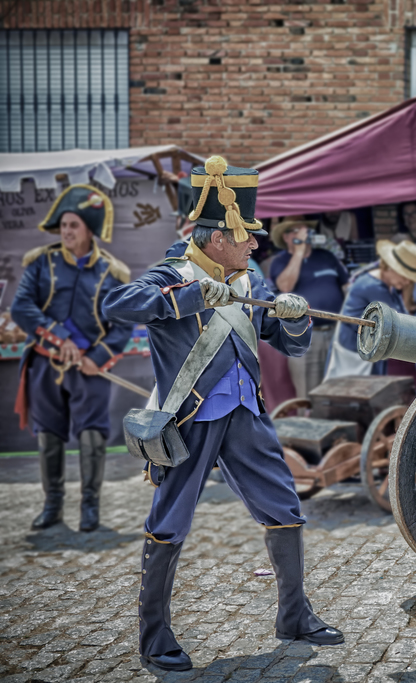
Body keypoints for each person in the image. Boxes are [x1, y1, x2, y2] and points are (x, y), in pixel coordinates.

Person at [103, 156, 344, 672]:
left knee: (285, 506)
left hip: (245, 412)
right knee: (168, 524)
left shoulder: (250, 277)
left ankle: (295, 616)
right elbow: (118, 304)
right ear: (217, 238)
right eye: (247, 236)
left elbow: (289, 344)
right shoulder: (172, 273)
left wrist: (293, 316)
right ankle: (154, 638)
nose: (257, 244)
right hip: (189, 420)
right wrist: (189, 297)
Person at [12, 185, 134, 533]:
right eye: (63, 225)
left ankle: (90, 508)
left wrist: (97, 357)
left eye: (73, 225)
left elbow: (121, 326)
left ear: (89, 230)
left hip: (90, 370)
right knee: (49, 437)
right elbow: (22, 307)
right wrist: (58, 337)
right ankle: (52, 506)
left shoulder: (113, 273)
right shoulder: (41, 263)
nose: (66, 231)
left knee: (92, 437)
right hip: (45, 365)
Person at [325, 240, 416, 377]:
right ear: (390, 268)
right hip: (354, 355)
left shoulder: (388, 285)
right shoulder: (373, 287)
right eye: (406, 277)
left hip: (370, 350)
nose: (407, 283)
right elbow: (398, 324)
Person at [269, 219, 351, 398]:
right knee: (308, 394)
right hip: (304, 336)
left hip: (336, 332)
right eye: (296, 231)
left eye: (305, 230)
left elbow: (347, 288)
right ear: (286, 236)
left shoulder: (326, 256)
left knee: (339, 388)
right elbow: (285, 286)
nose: (303, 235)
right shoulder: (280, 262)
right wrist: (298, 253)